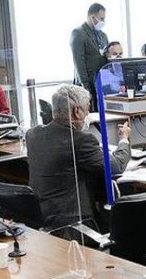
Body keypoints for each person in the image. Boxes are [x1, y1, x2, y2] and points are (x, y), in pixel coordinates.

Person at [26, 84, 130, 233]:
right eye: (87, 109)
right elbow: (116, 166)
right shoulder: (80, 140)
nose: (88, 114)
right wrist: (124, 139)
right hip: (75, 224)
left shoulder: (33, 134)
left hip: (42, 217)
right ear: (77, 111)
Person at [71, 2, 109, 106]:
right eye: (101, 19)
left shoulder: (103, 35)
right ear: (92, 17)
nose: (103, 22)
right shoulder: (79, 33)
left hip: (100, 82)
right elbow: (79, 61)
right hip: (87, 83)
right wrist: (85, 86)